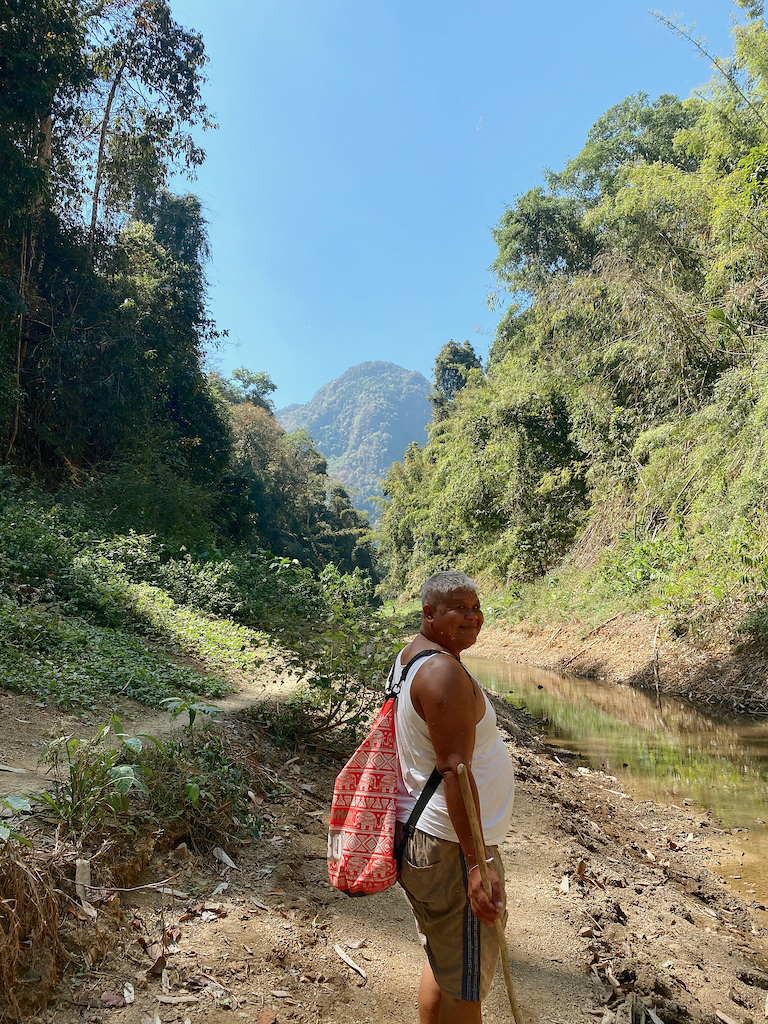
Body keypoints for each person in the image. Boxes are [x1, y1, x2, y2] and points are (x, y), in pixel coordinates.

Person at [395, 571, 515, 1024]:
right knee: (466, 987)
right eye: (458, 608)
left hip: (429, 837)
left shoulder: (414, 656)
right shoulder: (442, 671)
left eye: (476, 606)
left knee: (444, 963)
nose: (473, 616)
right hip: (449, 846)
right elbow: (454, 772)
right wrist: (477, 865)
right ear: (429, 614)